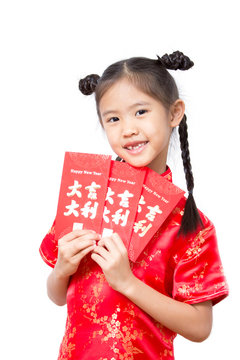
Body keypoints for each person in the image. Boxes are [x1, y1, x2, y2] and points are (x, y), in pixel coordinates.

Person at [39, 51, 229, 359]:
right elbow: (57, 296)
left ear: (174, 113)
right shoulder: (87, 196)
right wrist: (62, 269)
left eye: (141, 112)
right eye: (113, 118)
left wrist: (127, 283)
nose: (127, 129)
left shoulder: (190, 223)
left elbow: (200, 326)